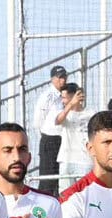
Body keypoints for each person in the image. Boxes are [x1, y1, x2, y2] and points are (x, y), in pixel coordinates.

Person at [33, 65, 69, 195]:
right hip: (50, 138)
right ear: (53, 79)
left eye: (64, 77)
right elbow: (38, 120)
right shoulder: (47, 96)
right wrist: (44, 134)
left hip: (63, 139)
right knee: (48, 177)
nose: (62, 80)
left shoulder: (66, 96)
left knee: (60, 177)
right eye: (59, 78)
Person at [57, 83, 92, 187]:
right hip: (67, 159)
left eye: (64, 98)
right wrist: (70, 105)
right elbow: (58, 121)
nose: (62, 101)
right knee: (65, 195)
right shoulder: (65, 113)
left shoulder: (91, 113)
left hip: (86, 161)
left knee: (85, 194)